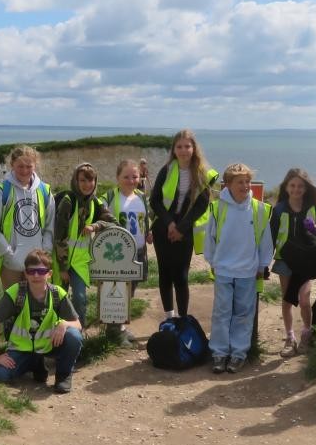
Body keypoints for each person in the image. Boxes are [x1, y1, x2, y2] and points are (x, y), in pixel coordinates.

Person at [202, 163, 273, 374]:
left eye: (247, 181)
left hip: (248, 270)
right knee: (221, 312)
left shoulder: (259, 209)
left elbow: (265, 240)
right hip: (223, 268)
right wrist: (212, 261)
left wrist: (262, 264)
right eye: (239, 182)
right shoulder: (217, 207)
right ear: (228, 185)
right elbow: (210, 238)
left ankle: (238, 354)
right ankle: (219, 353)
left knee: (243, 313)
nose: (245, 185)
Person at [0, 248, 83, 394]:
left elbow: (78, 325)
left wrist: (64, 324)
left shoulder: (58, 293)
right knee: (0, 374)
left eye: (41, 271)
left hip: (49, 344)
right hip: (21, 349)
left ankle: (63, 376)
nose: (36, 275)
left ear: (49, 274)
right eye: (31, 271)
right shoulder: (16, 292)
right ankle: (36, 364)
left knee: (74, 337)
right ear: (25, 273)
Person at [270, 168, 316, 357]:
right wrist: (263, 262)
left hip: (306, 263)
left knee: (305, 300)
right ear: (286, 187)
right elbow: (271, 237)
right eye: (292, 185)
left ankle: (307, 333)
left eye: (300, 186)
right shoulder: (279, 209)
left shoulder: (314, 211)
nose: (296, 189)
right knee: (288, 300)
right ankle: (290, 339)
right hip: (284, 261)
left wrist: (315, 232)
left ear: (306, 189)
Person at [149, 129, 212, 319]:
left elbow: (202, 205)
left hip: (185, 229)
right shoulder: (167, 170)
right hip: (163, 228)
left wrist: (181, 228)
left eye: (187, 146)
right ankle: (170, 316)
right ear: (174, 150)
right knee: (165, 273)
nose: (183, 150)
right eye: (179, 146)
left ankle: (183, 320)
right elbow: (155, 200)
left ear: (194, 148)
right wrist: (169, 224)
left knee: (182, 276)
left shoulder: (202, 173)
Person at [0, 145, 54, 290]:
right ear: (12, 165)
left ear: (35, 165)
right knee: (14, 306)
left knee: (36, 306)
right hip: (11, 263)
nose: (24, 171)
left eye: (29, 166)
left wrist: (45, 252)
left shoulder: (45, 191)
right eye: (20, 166)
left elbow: (50, 226)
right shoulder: (1, 191)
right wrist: (8, 253)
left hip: (38, 264)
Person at [99, 159, 150, 344]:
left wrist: (148, 233)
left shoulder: (142, 197)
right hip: (118, 255)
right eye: (126, 177)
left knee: (131, 290)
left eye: (135, 176)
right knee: (117, 290)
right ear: (117, 178)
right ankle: (113, 331)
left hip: (139, 252)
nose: (131, 180)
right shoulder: (109, 197)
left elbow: (144, 220)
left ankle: (119, 327)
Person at [54, 162, 110, 327]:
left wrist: (95, 226)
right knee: (58, 298)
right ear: (75, 181)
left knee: (79, 298)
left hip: (79, 261)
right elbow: (59, 236)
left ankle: (80, 332)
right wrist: (63, 267)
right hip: (60, 260)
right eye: (83, 180)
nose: (87, 185)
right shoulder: (68, 201)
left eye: (91, 180)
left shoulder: (95, 202)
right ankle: (58, 334)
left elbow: (111, 221)